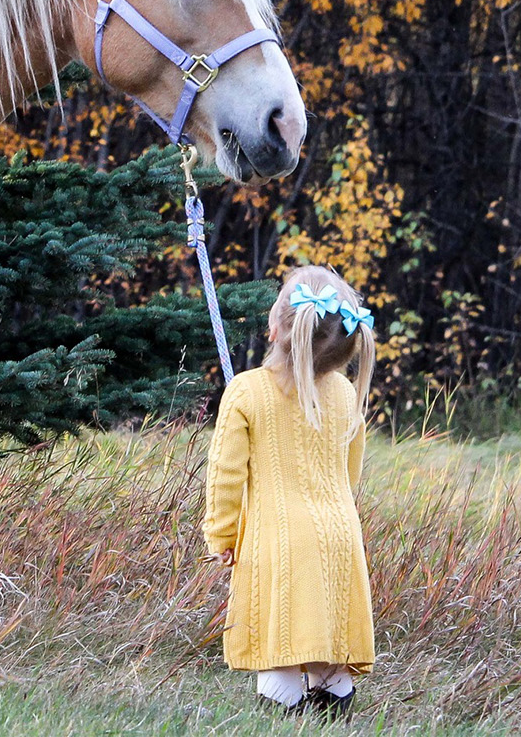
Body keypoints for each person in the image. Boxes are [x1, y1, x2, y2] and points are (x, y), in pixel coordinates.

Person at [203, 265, 379, 715]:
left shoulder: (246, 392)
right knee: (327, 631)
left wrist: (222, 537)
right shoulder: (343, 393)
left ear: (274, 326)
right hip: (340, 534)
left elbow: (226, 476)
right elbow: (349, 471)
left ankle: (283, 712)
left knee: (279, 635)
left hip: (277, 540)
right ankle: (335, 704)